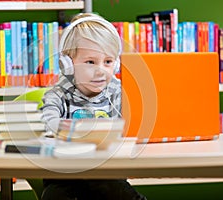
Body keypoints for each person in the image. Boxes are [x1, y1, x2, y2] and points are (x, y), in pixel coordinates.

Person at [41, 13, 147, 200]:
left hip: (106, 172)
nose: (101, 70)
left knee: (111, 186)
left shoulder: (118, 93)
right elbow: (47, 122)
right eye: (90, 62)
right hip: (66, 175)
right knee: (54, 194)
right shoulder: (58, 94)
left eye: (108, 62)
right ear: (68, 64)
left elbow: (133, 127)